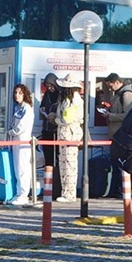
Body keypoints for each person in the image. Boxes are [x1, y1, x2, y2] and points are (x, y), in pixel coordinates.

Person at [48, 73, 83, 203]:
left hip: (70, 134)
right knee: (65, 164)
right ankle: (66, 192)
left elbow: (66, 119)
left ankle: (69, 194)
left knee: (69, 165)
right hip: (65, 135)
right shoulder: (68, 99)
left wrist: (55, 119)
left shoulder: (73, 101)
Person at [102, 73, 132, 197]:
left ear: (117, 82)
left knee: (120, 164)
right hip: (116, 135)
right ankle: (116, 190)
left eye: (110, 86)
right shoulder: (117, 95)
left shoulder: (126, 95)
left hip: (122, 136)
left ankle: (122, 190)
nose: (110, 89)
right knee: (115, 164)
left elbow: (128, 115)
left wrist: (110, 116)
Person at [7, 84, 35, 206]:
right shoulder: (18, 108)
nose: (17, 95)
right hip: (16, 141)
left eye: (20, 93)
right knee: (17, 167)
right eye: (15, 92)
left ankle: (24, 194)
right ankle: (19, 193)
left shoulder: (27, 108)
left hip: (23, 141)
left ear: (25, 95)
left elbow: (22, 126)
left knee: (23, 168)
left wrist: (12, 132)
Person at [38, 73, 60, 191]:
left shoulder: (60, 95)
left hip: (56, 130)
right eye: (47, 86)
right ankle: (48, 186)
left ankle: (56, 185)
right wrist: (42, 111)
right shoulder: (47, 95)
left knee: (58, 158)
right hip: (46, 129)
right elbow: (43, 106)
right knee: (48, 158)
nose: (50, 88)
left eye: (51, 86)